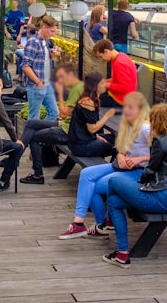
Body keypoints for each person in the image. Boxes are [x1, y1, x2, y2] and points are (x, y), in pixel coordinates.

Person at [103, 104, 167, 268]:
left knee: (113, 182)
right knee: (114, 202)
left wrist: (137, 183)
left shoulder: (160, 141)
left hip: (161, 197)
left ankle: (107, 223)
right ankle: (122, 254)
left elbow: (148, 172)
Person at [59, 91, 151, 239]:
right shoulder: (127, 125)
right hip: (123, 166)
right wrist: (121, 156)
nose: (126, 110)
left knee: (94, 187)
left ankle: (99, 225)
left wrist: (139, 159)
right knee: (86, 173)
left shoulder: (146, 129)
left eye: (131, 107)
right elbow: (121, 148)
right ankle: (85, 223)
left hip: (140, 171)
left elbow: (162, 154)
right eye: (125, 107)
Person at [19, 62, 84, 184]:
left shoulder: (77, 89)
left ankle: (37, 174)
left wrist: (59, 93)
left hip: (69, 131)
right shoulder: (78, 87)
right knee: (31, 123)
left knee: (34, 136)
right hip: (66, 125)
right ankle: (18, 153)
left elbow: (64, 113)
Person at [67, 72, 118, 159]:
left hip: (81, 140)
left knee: (116, 139)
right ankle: (111, 170)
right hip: (81, 146)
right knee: (119, 147)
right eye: (102, 83)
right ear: (95, 86)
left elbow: (85, 126)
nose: (105, 85)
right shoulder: (89, 103)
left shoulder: (89, 99)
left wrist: (97, 136)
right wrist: (107, 116)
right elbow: (92, 129)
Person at [21, 15, 60, 123]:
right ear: (43, 27)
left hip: (46, 83)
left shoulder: (45, 41)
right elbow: (25, 65)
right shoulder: (33, 42)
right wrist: (38, 81)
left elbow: (42, 58)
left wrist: (53, 54)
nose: (53, 34)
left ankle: (39, 134)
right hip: (36, 85)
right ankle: (30, 138)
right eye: (52, 31)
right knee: (34, 116)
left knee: (54, 113)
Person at [94, 39, 137, 105]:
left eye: (101, 56)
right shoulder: (121, 56)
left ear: (106, 51)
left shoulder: (119, 63)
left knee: (91, 100)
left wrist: (106, 84)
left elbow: (124, 87)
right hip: (125, 97)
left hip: (121, 100)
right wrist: (106, 81)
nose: (101, 59)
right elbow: (119, 80)